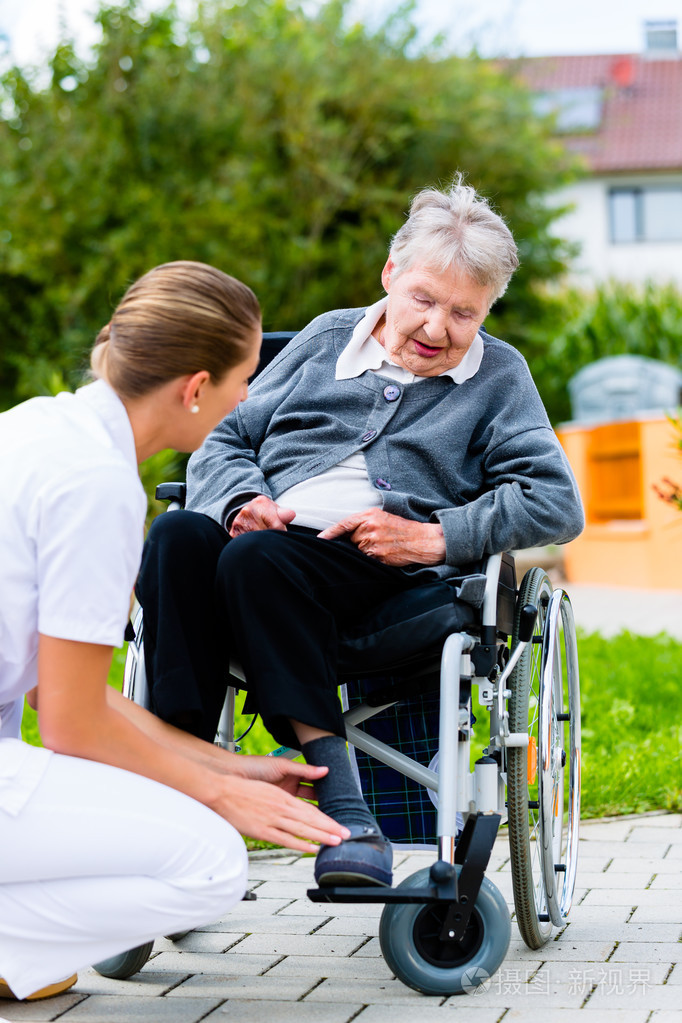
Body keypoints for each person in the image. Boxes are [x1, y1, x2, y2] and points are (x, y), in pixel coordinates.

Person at [136, 180, 585, 891]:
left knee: (256, 560)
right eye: (424, 300)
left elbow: (556, 500)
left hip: (383, 576)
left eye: (464, 312)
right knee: (178, 539)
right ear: (390, 276)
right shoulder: (323, 339)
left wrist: (434, 536)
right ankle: (176, 786)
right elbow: (225, 433)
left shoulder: (498, 377)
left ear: (488, 311)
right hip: (264, 549)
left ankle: (347, 814)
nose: (438, 327)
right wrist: (242, 499)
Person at [0, 261, 349, 1003]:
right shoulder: (98, 487)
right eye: (244, 379)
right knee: (212, 862)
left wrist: (228, 769)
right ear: (196, 388)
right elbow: (68, 722)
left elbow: (56, 694)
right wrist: (222, 799)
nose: (250, 397)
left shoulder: (37, 427)